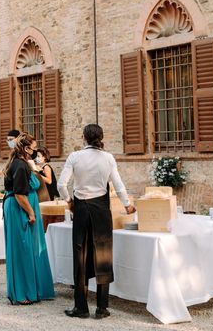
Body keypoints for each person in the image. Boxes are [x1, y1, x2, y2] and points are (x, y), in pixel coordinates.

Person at [58, 124, 136, 319]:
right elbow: (118, 185)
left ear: (83, 137)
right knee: (103, 254)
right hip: (101, 209)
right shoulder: (108, 158)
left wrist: (69, 201)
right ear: (101, 137)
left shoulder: (74, 157)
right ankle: (102, 308)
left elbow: (61, 184)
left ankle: (81, 308)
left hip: (81, 208)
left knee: (80, 255)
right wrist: (127, 205)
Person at [3, 133, 55, 304]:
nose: (34, 150)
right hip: (20, 209)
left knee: (30, 247)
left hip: (24, 207)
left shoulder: (23, 163)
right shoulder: (19, 165)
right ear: (26, 149)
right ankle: (22, 293)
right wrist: (31, 212)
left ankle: (34, 288)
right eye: (33, 148)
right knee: (22, 249)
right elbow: (19, 194)